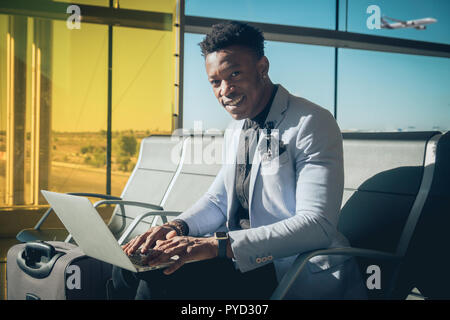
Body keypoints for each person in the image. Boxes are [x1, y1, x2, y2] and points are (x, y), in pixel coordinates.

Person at [111, 21, 366, 300]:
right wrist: (175, 227)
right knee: (128, 268)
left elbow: (316, 225)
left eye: (235, 74)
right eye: (215, 82)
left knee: (160, 280)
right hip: (237, 260)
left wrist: (217, 245)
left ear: (262, 68)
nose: (225, 90)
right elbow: (217, 201)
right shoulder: (237, 129)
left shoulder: (311, 123)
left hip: (282, 266)